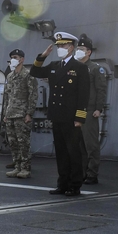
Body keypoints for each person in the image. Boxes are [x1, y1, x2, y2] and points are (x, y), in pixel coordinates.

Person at [30, 32, 90, 196]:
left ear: (71, 47)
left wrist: (79, 117)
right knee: (61, 152)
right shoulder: (55, 66)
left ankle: (75, 185)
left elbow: (83, 94)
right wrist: (43, 56)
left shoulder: (80, 68)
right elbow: (35, 72)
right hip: (57, 116)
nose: (60, 48)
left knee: (73, 152)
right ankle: (62, 184)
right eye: (58, 46)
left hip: (71, 118)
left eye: (63, 46)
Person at [75, 34, 108, 185]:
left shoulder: (96, 69)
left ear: (88, 51)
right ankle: (81, 172)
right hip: (76, 111)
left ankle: (92, 174)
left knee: (91, 144)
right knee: (79, 145)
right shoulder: (74, 68)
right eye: (78, 48)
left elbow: (101, 89)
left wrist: (99, 109)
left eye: (81, 49)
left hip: (89, 111)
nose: (78, 51)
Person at [4, 48, 38, 179]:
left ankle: (25, 168)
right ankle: (17, 166)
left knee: (23, 142)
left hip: (22, 115)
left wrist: (29, 113)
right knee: (13, 143)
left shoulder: (28, 75)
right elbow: (7, 96)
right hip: (11, 114)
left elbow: (33, 95)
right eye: (12, 56)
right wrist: (5, 114)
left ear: (22, 60)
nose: (13, 59)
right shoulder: (10, 76)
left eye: (16, 57)